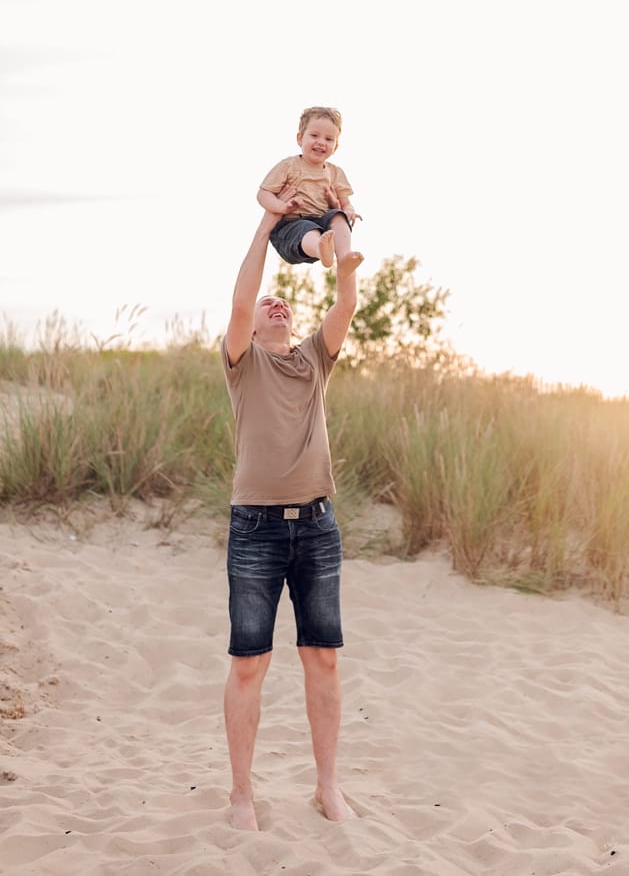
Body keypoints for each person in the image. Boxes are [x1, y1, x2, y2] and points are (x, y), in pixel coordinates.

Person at [220, 203, 363, 830]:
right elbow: (244, 298)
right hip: (254, 528)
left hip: (317, 526)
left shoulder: (312, 359)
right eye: (268, 306)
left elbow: (345, 306)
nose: (276, 306)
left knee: (323, 657)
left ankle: (327, 787)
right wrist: (268, 224)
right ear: (252, 330)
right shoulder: (244, 362)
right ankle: (241, 796)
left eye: (285, 303)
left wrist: (342, 234)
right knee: (250, 662)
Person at [257, 106, 360, 269]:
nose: (321, 142)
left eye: (329, 139)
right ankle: (321, 249)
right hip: (290, 228)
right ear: (300, 138)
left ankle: (344, 256)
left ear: (336, 146)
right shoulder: (288, 166)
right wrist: (282, 207)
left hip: (322, 225)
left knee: (339, 216)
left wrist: (349, 210)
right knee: (307, 228)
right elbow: (263, 194)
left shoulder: (335, 172)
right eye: (314, 135)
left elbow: (345, 203)